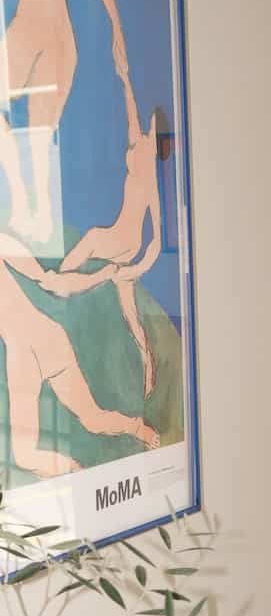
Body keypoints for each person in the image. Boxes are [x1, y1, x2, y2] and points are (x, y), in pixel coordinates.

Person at [0, 0, 131, 242]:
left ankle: (38, 217)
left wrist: (117, 34)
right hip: (23, 30)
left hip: (55, 34)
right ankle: (23, 207)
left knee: (41, 139)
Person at [0, 232, 158, 478]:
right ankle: (78, 472)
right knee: (25, 454)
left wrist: (103, 274)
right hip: (27, 353)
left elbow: (50, 281)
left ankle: (136, 428)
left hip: (42, 341)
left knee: (92, 420)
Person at [59, 103, 171, 398]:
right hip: (124, 238)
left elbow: (158, 241)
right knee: (130, 313)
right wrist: (123, 73)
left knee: (92, 241)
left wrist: (133, 270)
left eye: (149, 129)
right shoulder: (140, 148)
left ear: (155, 138)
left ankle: (67, 282)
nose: (144, 132)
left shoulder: (152, 180)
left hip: (125, 240)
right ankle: (148, 362)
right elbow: (131, 113)